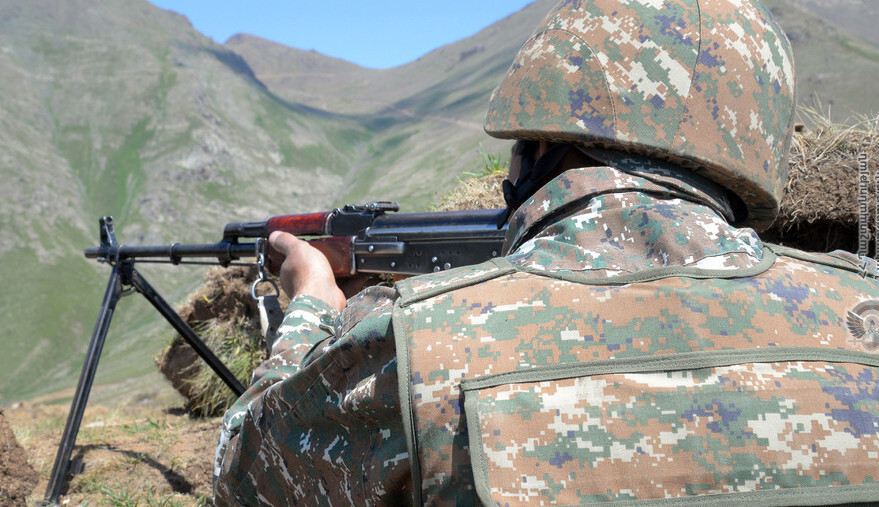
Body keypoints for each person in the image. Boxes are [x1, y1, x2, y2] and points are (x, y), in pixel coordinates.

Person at [214, 0, 879, 504]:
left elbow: (245, 474)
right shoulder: (865, 311)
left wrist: (310, 307)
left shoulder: (418, 341)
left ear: (539, 145)